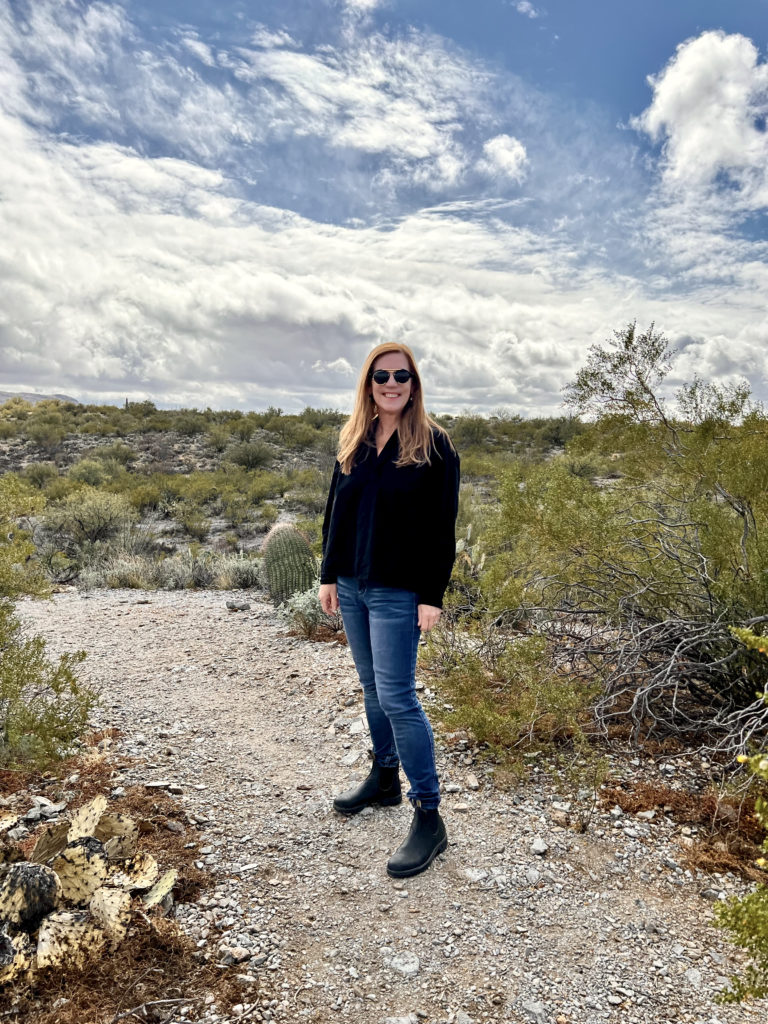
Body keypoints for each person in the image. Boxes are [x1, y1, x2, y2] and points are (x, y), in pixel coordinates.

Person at [319, 342, 460, 878]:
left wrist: (432, 595)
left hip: (399, 591)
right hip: (353, 584)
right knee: (372, 687)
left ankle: (429, 815)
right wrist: (329, 575)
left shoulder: (435, 446)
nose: (392, 383)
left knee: (399, 696)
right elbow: (336, 511)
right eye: (382, 375)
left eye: (402, 375)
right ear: (369, 383)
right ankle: (384, 780)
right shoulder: (354, 439)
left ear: (414, 382)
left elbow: (441, 528)